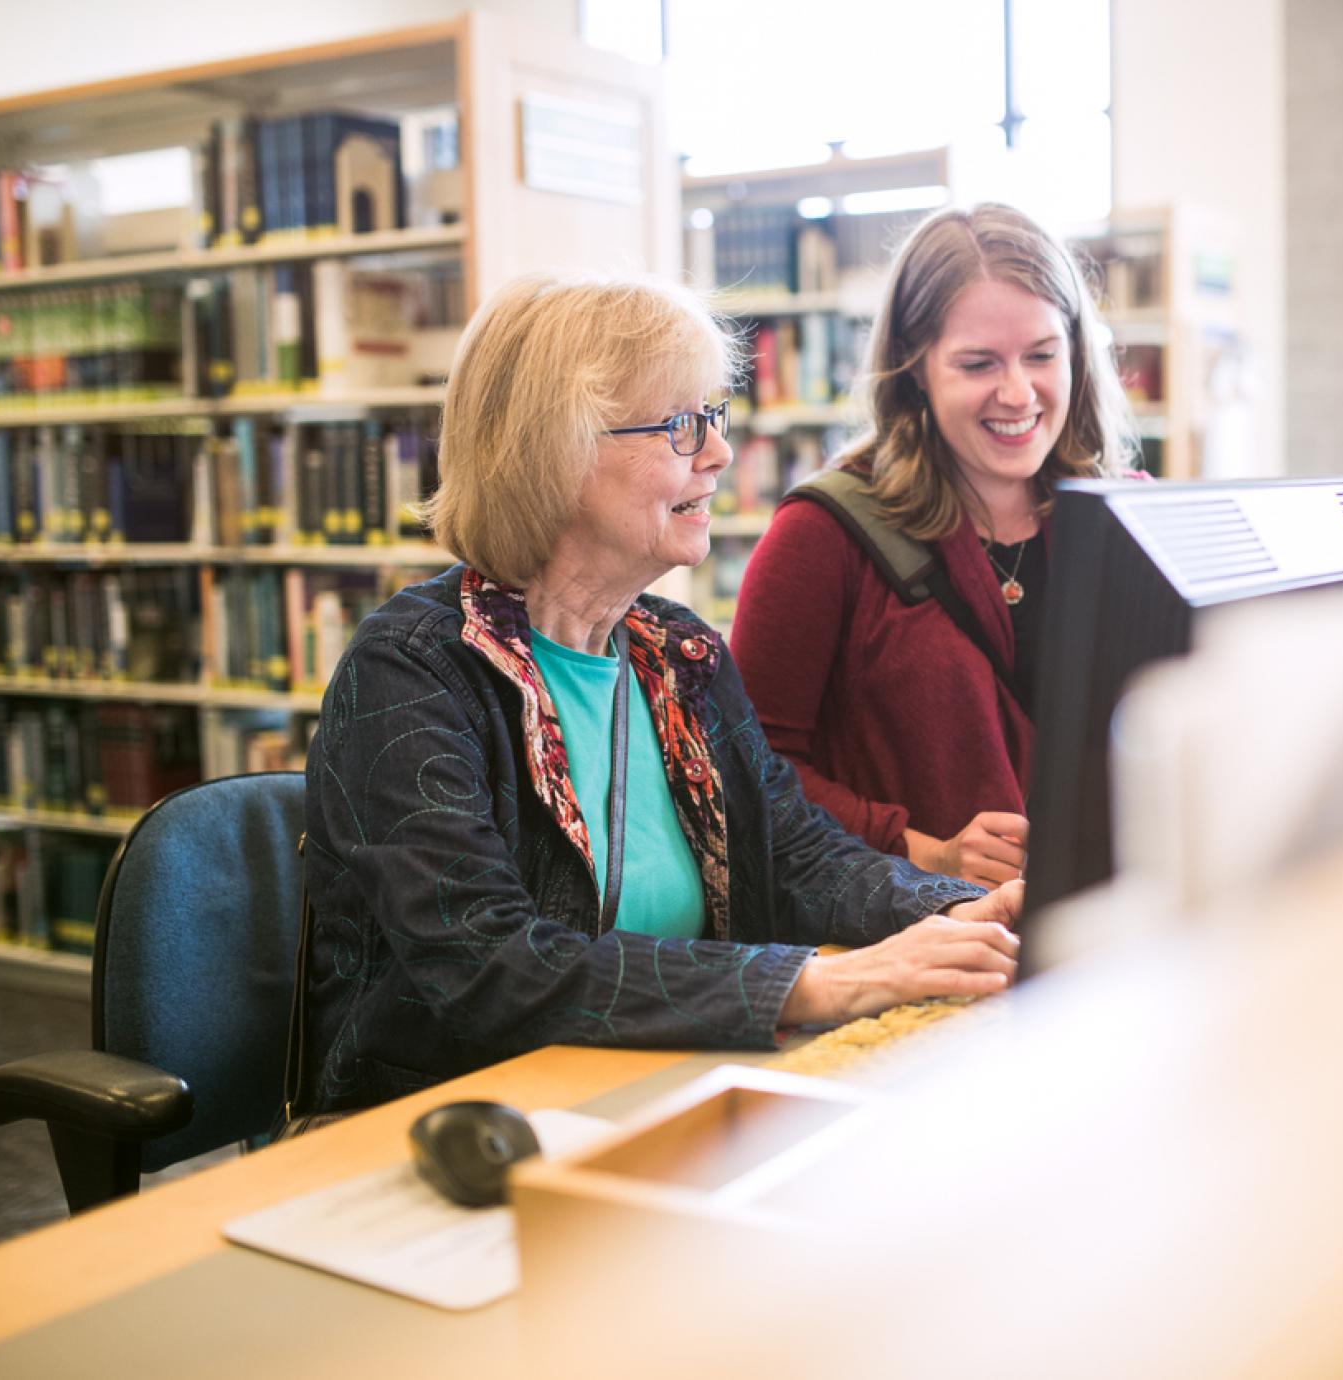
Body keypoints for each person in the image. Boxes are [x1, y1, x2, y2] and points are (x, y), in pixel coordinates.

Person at [295, 272, 1021, 1117]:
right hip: (456, 1126)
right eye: (681, 426)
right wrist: (817, 984)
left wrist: (974, 910)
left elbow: (797, 860)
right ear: (552, 451)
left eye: (712, 417)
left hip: (656, 1089)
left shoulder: (679, 654)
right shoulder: (414, 669)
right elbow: (488, 964)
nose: (717, 453)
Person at [729, 203, 1139, 887]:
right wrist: (923, 850)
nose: (1017, 393)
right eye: (978, 363)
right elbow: (748, 771)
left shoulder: (1129, 518)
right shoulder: (822, 536)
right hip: (915, 944)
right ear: (914, 368)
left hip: (1106, 929)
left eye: (1041, 355)